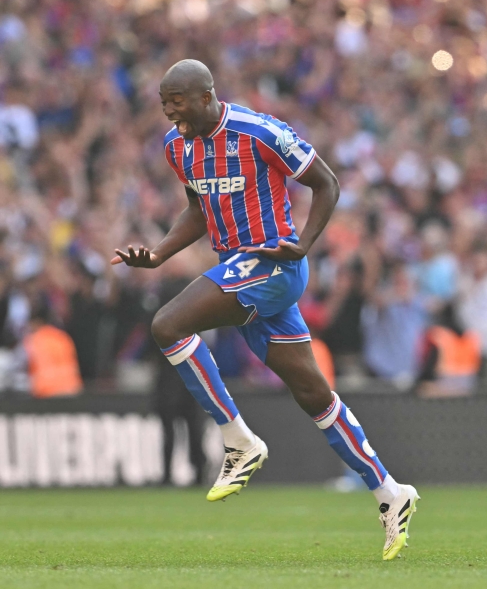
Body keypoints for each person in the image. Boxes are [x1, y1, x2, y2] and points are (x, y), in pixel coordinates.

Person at [111, 60, 418, 561]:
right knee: (313, 394)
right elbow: (198, 211)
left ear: (207, 94)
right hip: (238, 269)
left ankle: (238, 440)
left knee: (167, 324)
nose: (171, 112)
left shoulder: (259, 131)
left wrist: (306, 243)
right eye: (165, 103)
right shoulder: (177, 147)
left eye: (179, 101)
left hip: (274, 266)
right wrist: (160, 254)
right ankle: (390, 492)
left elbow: (327, 183)